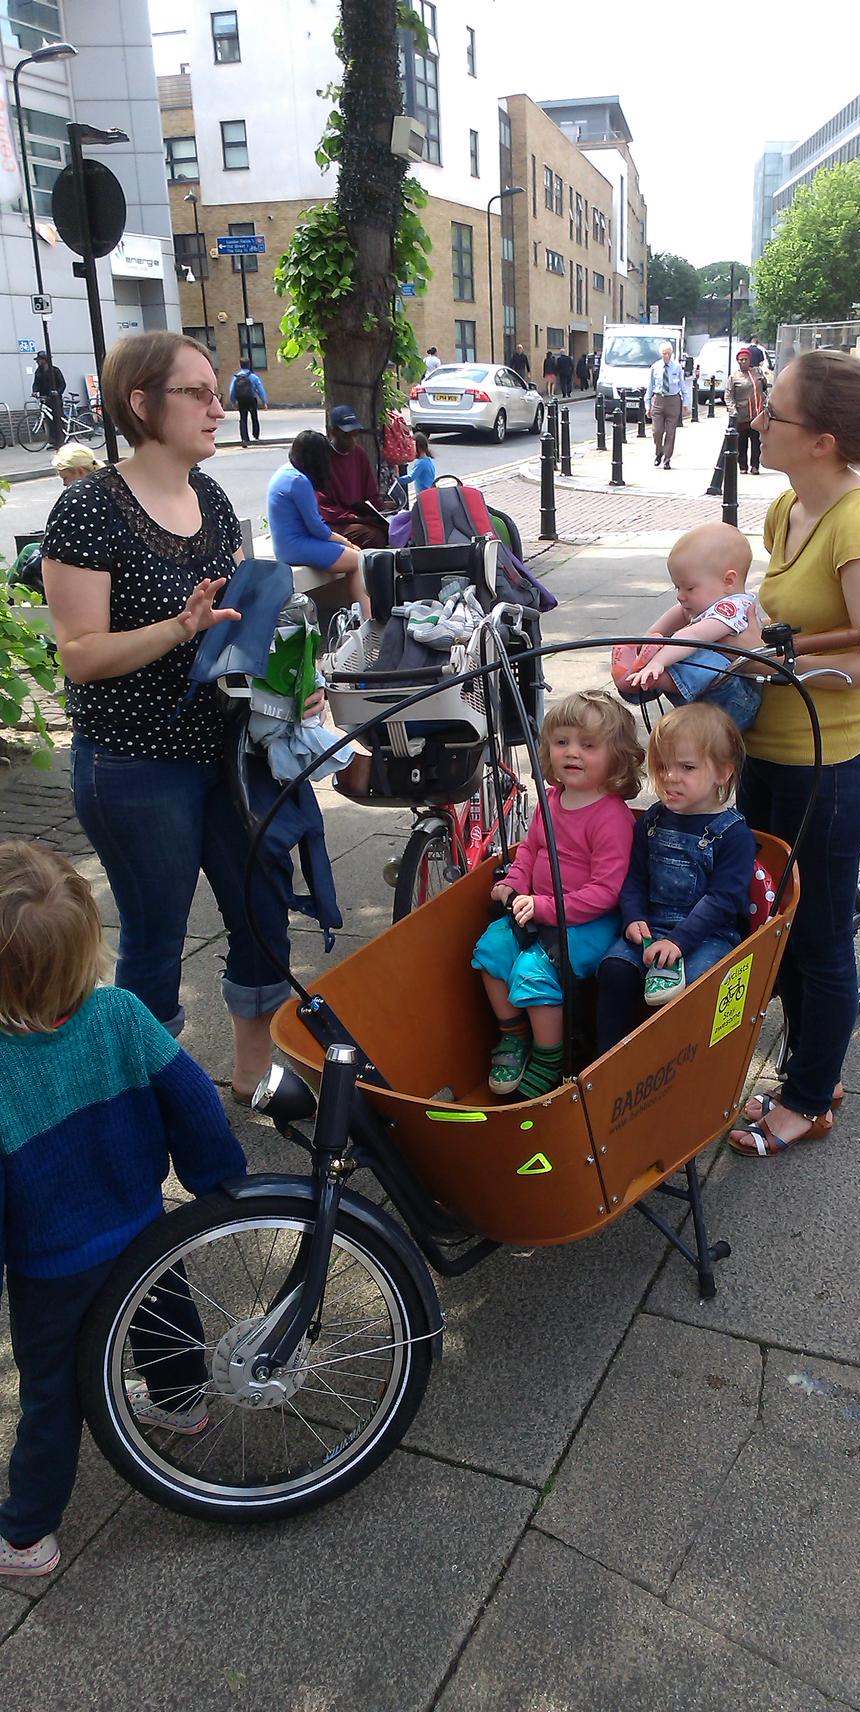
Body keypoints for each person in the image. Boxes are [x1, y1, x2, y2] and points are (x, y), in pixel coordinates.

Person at [41, 330, 317, 1102]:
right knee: (157, 936)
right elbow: (79, 656)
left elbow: (232, 630)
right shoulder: (88, 509)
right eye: (197, 393)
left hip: (224, 752)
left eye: (216, 391)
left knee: (259, 909)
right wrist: (177, 628)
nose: (218, 407)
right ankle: (148, 1098)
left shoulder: (213, 498)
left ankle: (252, 1072)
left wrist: (290, 682)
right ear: (142, 404)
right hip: (134, 765)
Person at [0, 840, 246, 1579]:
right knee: (163, 1310)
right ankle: (182, 1401)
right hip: (144, 1221)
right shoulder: (122, 1013)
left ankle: (28, 1534)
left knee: (53, 1393)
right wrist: (218, 1181)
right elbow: (195, 1101)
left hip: (52, 1265)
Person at [726, 348, 860, 1159]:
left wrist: (775, 662)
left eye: (772, 410)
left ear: (820, 440)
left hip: (829, 769)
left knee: (816, 940)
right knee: (775, 927)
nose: (757, 418)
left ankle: (810, 1098)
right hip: (767, 756)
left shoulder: (859, 521)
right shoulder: (788, 508)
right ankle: (810, 1073)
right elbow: (783, 625)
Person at [472, 691, 642, 1099]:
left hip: (590, 922)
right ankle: (514, 1034)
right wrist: (515, 881)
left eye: (588, 745)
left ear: (616, 757)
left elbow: (607, 891)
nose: (572, 753)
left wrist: (545, 907)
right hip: (539, 909)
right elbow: (530, 850)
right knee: (490, 949)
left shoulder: (611, 816)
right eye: (562, 742)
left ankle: (550, 1057)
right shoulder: (550, 801)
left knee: (534, 970)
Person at [596, 704, 755, 1050]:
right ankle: (607, 1063)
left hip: (709, 934)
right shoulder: (653, 821)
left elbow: (723, 900)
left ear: (722, 773)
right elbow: (635, 878)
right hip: (652, 926)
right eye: (663, 766)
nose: (670, 777)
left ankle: (681, 1064)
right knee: (613, 969)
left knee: (696, 986)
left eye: (687, 767)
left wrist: (679, 941)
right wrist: (633, 917)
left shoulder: (734, 835)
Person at [616, 521, 763, 732]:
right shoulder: (709, 600)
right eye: (677, 587)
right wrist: (649, 639)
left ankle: (654, 678)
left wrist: (658, 660)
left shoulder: (734, 607)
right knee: (677, 651)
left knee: (706, 657)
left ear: (729, 581)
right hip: (706, 697)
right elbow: (678, 614)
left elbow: (694, 635)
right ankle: (636, 680)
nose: (680, 596)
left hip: (735, 701)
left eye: (689, 588)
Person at [267, 429, 368, 623]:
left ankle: (359, 617)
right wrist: (346, 542)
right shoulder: (300, 481)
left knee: (353, 557)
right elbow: (317, 528)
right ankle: (366, 621)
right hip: (296, 547)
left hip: (286, 546)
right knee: (358, 560)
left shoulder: (286, 472)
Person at [318, 403, 390, 549]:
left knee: (397, 529)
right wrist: (353, 517)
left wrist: (383, 508)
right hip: (335, 521)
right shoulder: (323, 458)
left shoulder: (359, 454)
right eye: (346, 435)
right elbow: (323, 505)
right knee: (372, 537)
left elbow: (370, 493)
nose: (352, 440)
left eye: (355, 435)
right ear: (333, 431)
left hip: (359, 517)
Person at [645, 341, 688, 471]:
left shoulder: (677, 367)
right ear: (661, 354)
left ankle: (667, 459)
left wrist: (685, 404)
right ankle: (659, 453)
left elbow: (683, 386)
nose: (667, 356)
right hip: (658, 400)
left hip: (673, 400)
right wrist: (648, 405)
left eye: (669, 353)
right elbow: (650, 387)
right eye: (664, 353)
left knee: (670, 432)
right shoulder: (655, 367)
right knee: (657, 432)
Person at [725, 347, 767, 474]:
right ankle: (743, 466)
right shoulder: (734, 377)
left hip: (757, 414)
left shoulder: (757, 372)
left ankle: (755, 466)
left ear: (750, 360)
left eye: (745, 359)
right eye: (741, 360)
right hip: (742, 415)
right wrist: (732, 410)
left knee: (756, 443)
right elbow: (728, 395)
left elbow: (764, 388)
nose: (743, 362)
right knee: (741, 444)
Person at [228, 358, 267, 447]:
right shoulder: (253, 377)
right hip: (251, 400)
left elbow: (232, 391)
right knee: (254, 417)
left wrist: (233, 401)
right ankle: (256, 436)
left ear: (240, 365)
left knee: (243, 419)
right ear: (249, 365)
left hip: (241, 401)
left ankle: (244, 439)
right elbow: (260, 389)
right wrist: (264, 401)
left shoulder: (236, 377)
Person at [32, 353, 67, 449]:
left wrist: (57, 392)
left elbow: (62, 384)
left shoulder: (55, 370)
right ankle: (53, 440)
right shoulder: (38, 371)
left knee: (57, 418)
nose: (37, 362)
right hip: (44, 398)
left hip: (55, 399)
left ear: (45, 360)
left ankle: (61, 439)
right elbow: (36, 383)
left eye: (39, 360)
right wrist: (34, 391)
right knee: (48, 420)